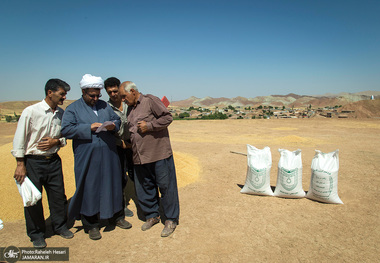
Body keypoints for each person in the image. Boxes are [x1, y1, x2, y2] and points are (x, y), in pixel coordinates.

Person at [61, 74, 131, 240]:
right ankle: (92, 225)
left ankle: (117, 217)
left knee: (112, 185)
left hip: (109, 154)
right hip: (87, 156)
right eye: (91, 95)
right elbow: (66, 130)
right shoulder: (73, 109)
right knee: (89, 188)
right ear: (83, 92)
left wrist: (114, 125)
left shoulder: (104, 106)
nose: (95, 98)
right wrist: (88, 127)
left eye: (97, 95)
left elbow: (116, 119)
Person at [11, 79, 73, 248]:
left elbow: (63, 137)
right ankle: (36, 234)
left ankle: (60, 226)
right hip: (33, 162)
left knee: (58, 196)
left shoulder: (61, 113)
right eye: (62, 94)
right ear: (49, 93)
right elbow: (19, 140)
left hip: (53, 161)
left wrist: (56, 141)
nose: (64, 97)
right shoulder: (30, 112)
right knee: (33, 200)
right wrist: (20, 164)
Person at [120, 81, 180, 237]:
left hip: (159, 154)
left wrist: (150, 126)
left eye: (124, 96)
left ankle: (171, 219)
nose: (123, 100)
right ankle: (152, 215)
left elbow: (167, 118)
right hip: (140, 156)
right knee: (145, 187)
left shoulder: (149, 100)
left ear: (132, 91)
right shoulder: (130, 109)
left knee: (166, 188)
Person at [104, 77, 135, 217]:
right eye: (109, 92)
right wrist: (120, 143)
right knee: (120, 176)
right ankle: (122, 206)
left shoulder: (129, 103)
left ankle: (146, 202)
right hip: (117, 146)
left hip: (133, 144)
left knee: (138, 174)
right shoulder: (105, 108)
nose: (113, 94)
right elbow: (105, 131)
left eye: (115, 91)